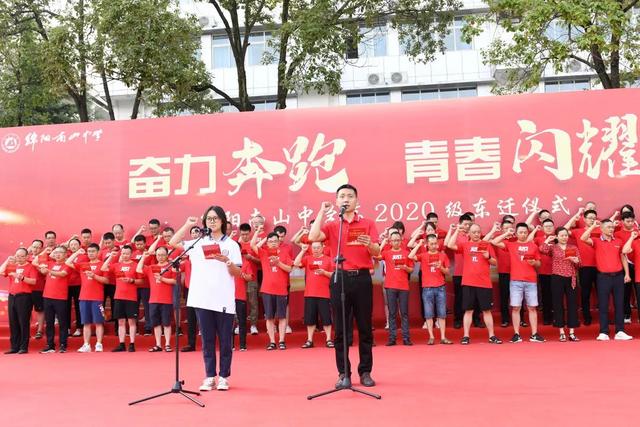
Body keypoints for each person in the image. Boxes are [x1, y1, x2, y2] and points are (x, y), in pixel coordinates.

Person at [309, 184, 380, 388]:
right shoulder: (333, 226)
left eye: (350, 196)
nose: (346, 199)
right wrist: (322, 211)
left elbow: (376, 251)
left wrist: (369, 244)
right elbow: (313, 237)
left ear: (357, 200)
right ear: (337, 201)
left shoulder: (367, 223)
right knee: (341, 330)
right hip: (339, 278)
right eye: (342, 196)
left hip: (362, 278)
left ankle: (365, 371)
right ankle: (344, 373)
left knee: (365, 327)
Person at [169, 207, 242, 392]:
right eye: (209, 218)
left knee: (225, 341)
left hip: (223, 299)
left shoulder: (232, 245)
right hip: (202, 299)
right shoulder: (198, 243)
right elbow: (173, 242)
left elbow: (238, 272)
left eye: (216, 218)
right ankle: (210, 376)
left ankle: (224, 376)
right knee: (207, 340)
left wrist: (225, 260)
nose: (212, 221)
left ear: (223, 221)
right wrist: (187, 224)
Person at [447, 223, 502, 345]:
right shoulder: (465, 245)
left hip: (484, 283)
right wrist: (455, 230)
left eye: (478, 232)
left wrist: (487, 257)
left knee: (487, 310)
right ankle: (466, 336)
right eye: (474, 232)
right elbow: (450, 245)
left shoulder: (486, 245)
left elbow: (494, 262)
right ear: (469, 234)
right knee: (468, 310)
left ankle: (492, 336)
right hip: (468, 282)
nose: (476, 234)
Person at [491, 222, 545, 343]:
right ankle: (516, 334)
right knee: (516, 307)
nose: (523, 234)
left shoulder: (533, 246)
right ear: (516, 233)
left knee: (532, 307)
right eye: (520, 232)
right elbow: (494, 242)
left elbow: (539, 263)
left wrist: (534, 263)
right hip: (516, 281)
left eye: (525, 232)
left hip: (531, 280)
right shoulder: (511, 245)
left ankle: (534, 334)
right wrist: (506, 233)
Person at [581, 219, 633, 341]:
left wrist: (627, 274)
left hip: (619, 277)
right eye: (608, 227)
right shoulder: (597, 241)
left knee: (619, 305)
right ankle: (603, 332)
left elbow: (623, 258)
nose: (611, 229)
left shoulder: (618, 241)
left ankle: (620, 331)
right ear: (602, 229)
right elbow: (583, 238)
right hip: (603, 277)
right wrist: (593, 226)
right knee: (603, 305)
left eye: (612, 227)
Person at [250, 230, 293, 350]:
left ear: (279, 242)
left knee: (282, 317)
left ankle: (282, 341)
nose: (273, 243)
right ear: (267, 243)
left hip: (281, 290)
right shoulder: (264, 253)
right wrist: (258, 232)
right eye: (270, 241)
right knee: (269, 317)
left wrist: (278, 263)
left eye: (275, 241)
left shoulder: (284, 254)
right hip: (267, 290)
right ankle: (272, 341)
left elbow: (289, 269)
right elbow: (253, 245)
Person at [408, 234, 452, 345]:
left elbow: (447, 272)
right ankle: (431, 337)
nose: (433, 246)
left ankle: (443, 337)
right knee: (428, 314)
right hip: (427, 288)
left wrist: (440, 267)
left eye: (435, 243)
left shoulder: (442, 255)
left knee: (441, 314)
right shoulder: (423, 255)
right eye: (431, 244)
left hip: (440, 287)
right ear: (427, 244)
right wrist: (418, 245)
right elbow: (410, 256)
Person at [539, 228, 581, 342]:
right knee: (558, 304)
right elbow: (542, 249)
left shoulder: (573, 248)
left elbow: (578, 265)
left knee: (572, 304)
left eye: (566, 235)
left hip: (571, 277)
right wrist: (548, 239)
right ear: (557, 236)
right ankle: (561, 332)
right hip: (557, 277)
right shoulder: (553, 247)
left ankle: (572, 332)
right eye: (562, 235)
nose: (564, 237)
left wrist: (575, 261)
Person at [66, 244, 109, 352]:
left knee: (98, 322)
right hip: (84, 297)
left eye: (93, 251)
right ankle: (86, 344)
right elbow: (67, 262)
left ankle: (99, 344)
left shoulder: (103, 265)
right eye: (89, 251)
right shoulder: (83, 265)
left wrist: (94, 276)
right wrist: (77, 252)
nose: (90, 253)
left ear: (98, 252)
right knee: (86, 322)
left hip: (97, 298)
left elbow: (106, 280)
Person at [102, 245, 142, 352]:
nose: (125, 255)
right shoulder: (116, 265)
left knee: (132, 322)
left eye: (127, 254)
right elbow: (103, 268)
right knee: (121, 322)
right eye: (123, 253)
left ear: (131, 254)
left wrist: (131, 281)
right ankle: (122, 344)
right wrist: (111, 257)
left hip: (131, 297)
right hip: (119, 297)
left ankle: (132, 344)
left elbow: (141, 281)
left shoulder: (135, 265)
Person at [294, 242, 334, 348]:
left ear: (322, 248)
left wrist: (324, 272)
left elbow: (334, 275)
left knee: (326, 318)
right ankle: (309, 340)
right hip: (310, 293)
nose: (315, 250)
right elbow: (296, 263)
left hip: (324, 293)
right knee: (310, 318)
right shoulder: (308, 258)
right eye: (314, 248)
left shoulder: (328, 259)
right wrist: (302, 250)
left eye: (318, 248)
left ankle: (329, 339)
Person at [137, 246, 177, 352]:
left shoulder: (171, 266)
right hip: (153, 300)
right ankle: (158, 344)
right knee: (156, 323)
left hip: (166, 300)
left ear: (167, 255)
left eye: (163, 255)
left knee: (166, 323)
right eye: (158, 255)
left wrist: (162, 278)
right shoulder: (151, 267)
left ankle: (167, 344)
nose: (160, 257)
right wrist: (143, 257)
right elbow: (138, 269)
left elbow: (175, 281)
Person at [35, 246, 71, 353]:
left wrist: (48, 271)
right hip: (47, 297)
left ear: (65, 255)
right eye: (56, 253)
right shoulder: (50, 263)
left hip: (60, 298)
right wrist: (46, 251)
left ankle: (63, 344)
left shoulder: (67, 265)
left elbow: (62, 274)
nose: (58, 254)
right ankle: (50, 345)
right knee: (49, 322)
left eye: (60, 253)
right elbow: (36, 262)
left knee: (62, 322)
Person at [380, 231, 414, 346]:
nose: (396, 242)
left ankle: (406, 338)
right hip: (390, 286)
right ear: (390, 242)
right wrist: (383, 243)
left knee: (404, 313)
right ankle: (392, 338)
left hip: (403, 286)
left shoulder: (406, 253)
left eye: (398, 240)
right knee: (392, 313)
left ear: (401, 241)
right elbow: (376, 255)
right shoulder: (386, 253)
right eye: (394, 240)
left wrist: (405, 267)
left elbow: (411, 269)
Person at [1, 248, 37, 354]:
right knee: (13, 322)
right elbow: (1, 271)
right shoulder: (13, 266)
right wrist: (7, 260)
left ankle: (23, 347)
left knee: (23, 322)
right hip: (12, 296)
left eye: (22, 256)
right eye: (17, 256)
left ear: (26, 257)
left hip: (24, 297)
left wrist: (21, 277)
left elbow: (34, 281)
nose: (19, 258)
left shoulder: (31, 267)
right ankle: (14, 347)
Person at [565, 208, 598, 325]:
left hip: (600, 266)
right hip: (584, 266)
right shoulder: (578, 231)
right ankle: (587, 317)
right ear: (584, 219)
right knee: (585, 293)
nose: (592, 220)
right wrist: (576, 215)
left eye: (594, 218)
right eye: (590, 218)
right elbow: (565, 229)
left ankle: (603, 317)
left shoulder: (601, 230)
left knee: (602, 293)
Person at [444, 214, 474, 329]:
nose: (467, 227)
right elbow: (447, 244)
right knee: (459, 298)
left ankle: (474, 319)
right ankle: (457, 320)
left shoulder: (472, 236)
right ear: (460, 224)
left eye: (469, 224)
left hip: (471, 273)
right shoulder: (456, 235)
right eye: (465, 224)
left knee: (472, 297)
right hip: (458, 273)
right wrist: (455, 230)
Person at [614, 211, 639, 323]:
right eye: (627, 221)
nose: (630, 223)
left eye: (632, 221)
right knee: (625, 291)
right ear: (622, 222)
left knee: (638, 292)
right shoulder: (617, 234)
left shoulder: (638, 232)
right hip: (624, 264)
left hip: (637, 264)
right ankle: (627, 314)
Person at [180, 225, 201, 352]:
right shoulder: (186, 261)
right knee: (191, 318)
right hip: (190, 290)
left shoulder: (204, 258)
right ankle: (191, 343)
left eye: (197, 232)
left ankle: (208, 343)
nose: (195, 234)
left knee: (204, 317)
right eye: (193, 232)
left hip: (203, 289)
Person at [28, 239, 46, 340]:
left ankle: (39, 330)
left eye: (38, 247)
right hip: (26, 288)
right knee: (26, 310)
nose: (36, 249)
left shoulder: (43, 259)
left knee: (40, 309)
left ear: (41, 248)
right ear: (31, 247)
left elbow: (44, 272)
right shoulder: (25, 257)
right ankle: (27, 330)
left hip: (39, 288)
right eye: (34, 246)